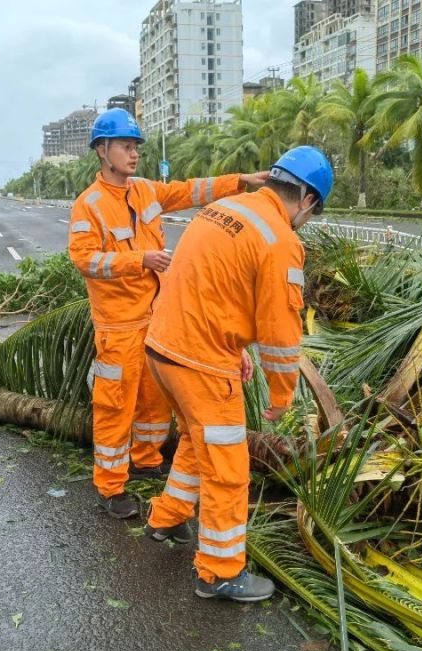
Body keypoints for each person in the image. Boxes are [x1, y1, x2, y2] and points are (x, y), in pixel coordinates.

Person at [142, 146, 334, 602]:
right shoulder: (280, 240)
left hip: (163, 347)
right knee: (229, 468)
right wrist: (282, 396)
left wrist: (235, 348)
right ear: (306, 198)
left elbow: (209, 282)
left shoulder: (223, 209)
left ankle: (166, 518)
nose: (307, 220)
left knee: (193, 439)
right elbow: (281, 334)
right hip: (202, 365)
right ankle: (221, 571)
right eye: (313, 211)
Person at [68, 108, 268, 521]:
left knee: (156, 398)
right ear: (103, 151)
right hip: (118, 326)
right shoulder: (88, 205)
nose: (134, 153)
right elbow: (84, 259)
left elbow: (189, 190)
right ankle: (110, 485)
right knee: (115, 405)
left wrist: (240, 182)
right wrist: (141, 260)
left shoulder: (144, 190)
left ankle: (145, 457)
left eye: (136, 146)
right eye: (126, 146)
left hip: (156, 319)